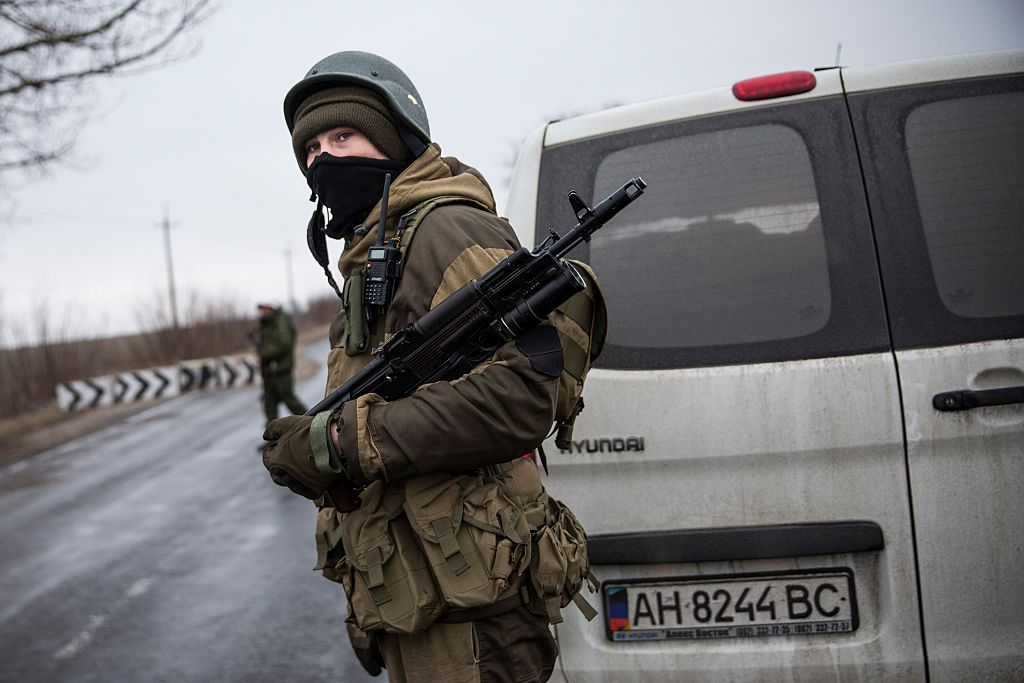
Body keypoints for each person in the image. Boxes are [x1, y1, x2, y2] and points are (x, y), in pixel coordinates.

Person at [261, 51, 592, 683]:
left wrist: (343, 442)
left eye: (343, 136)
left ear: (393, 142)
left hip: (472, 607)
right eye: (310, 149)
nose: (323, 159)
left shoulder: (446, 231)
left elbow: (523, 393)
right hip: (429, 588)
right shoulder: (375, 248)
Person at [255, 301, 307, 425]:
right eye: (261, 309)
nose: (262, 312)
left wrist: (264, 353)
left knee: (289, 399)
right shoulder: (267, 322)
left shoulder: (281, 321)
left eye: (264, 309)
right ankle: (273, 436)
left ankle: (311, 422)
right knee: (269, 403)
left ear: (271, 308)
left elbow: (284, 343)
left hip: (280, 369)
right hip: (269, 370)